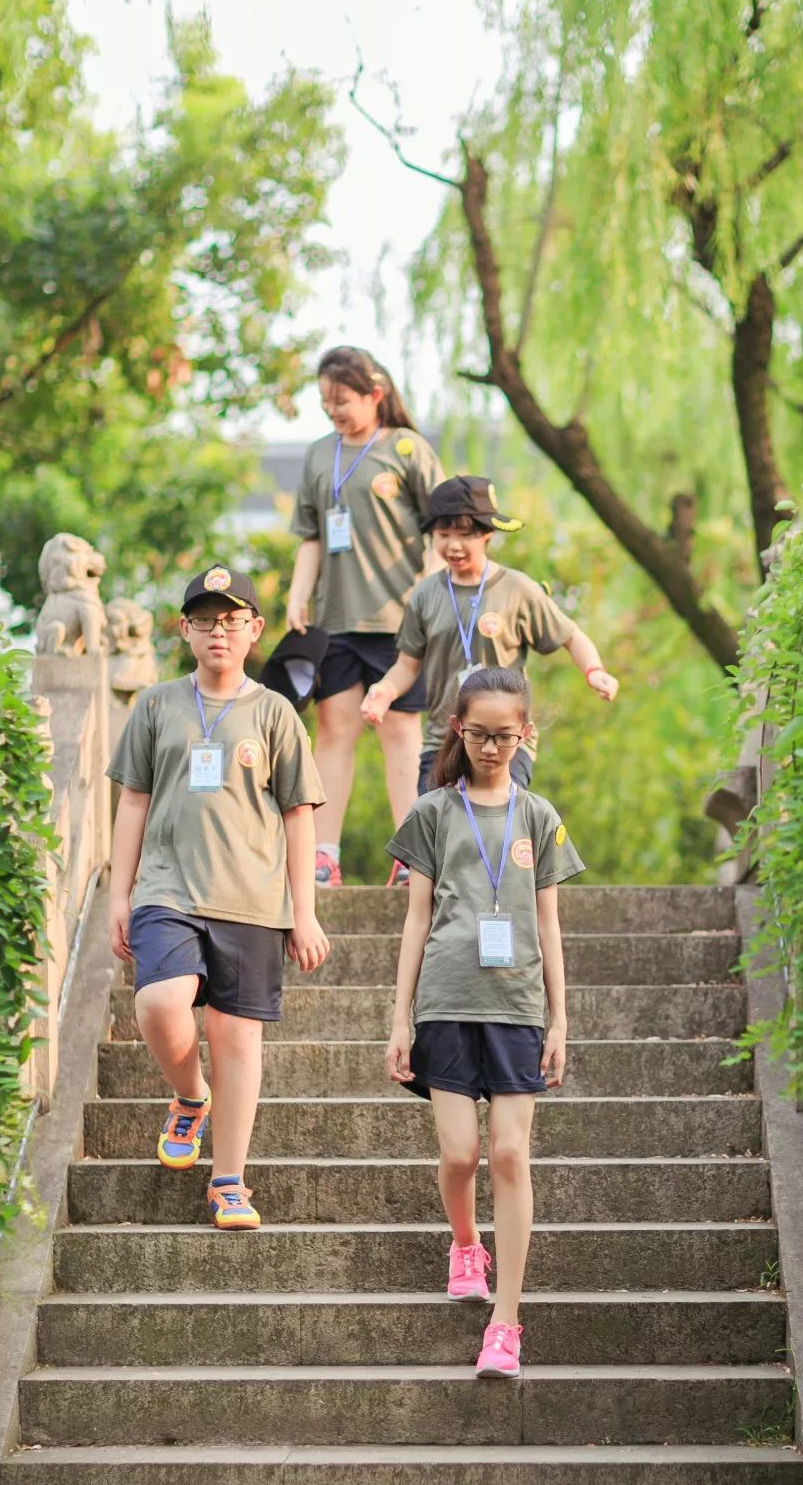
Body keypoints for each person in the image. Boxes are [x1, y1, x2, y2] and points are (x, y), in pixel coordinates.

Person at [107, 565, 330, 1231]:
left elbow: (298, 812)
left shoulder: (274, 712)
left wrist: (305, 909)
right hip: (166, 889)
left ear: (255, 629)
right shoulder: (156, 705)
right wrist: (120, 892)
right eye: (204, 620)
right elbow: (133, 800)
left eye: (232, 620)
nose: (219, 631)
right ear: (185, 630)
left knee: (235, 1038)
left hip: (252, 899)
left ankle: (229, 1178)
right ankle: (188, 1095)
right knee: (159, 1001)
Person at [384, 667, 585, 1379]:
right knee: (461, 1155)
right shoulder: (434, 811)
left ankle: (506, 1320)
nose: (491, 747)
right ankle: (465, 1241)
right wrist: (399, 1016)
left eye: (505, 734)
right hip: (445, 999)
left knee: (508, 1154)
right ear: (458, 733)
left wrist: (561, 1018)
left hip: (517, 1009)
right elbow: (416, 918)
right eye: (478, 734)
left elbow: (550, 923)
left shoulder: (539, 816)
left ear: (525, 733)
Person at [284, 345, 445, 887]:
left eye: (344, 401)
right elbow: (309, 535)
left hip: (399, 620)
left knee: (401, 732)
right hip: (334, 620)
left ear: (375, 394)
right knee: (333, 732)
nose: (335, 411)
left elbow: (443, 531)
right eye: (327, 402)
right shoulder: (317, 454)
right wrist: (296, 595)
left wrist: (428, 595)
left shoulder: (406, 448)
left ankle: (409, 856)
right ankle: (324, 856)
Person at [360, 475, 619, 794]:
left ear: (487, 534)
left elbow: (570, 635)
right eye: (443, 535)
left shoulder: (517, 588)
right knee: (436, 833)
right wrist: (384, 691)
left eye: (465, 535)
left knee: (499, 832)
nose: (453, 545)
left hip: (506, 740)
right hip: (444, 740)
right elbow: (407, 665)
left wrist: (594, 671)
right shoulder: (425, 594)